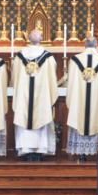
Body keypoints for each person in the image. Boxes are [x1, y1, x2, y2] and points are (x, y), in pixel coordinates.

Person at [12, 29, 58, 161]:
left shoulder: (20, 56)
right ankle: (39, 151)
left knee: (25, 114)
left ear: (28, 39)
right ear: (41, 39)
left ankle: (26, 151)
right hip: (41, 97)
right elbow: (52, 78)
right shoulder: (48, 57)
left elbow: (15, 76)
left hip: (24, 97)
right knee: (41, 115)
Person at [66, 37, 98, 161]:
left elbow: (70, 84)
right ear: (96, 45)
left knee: (80, 116)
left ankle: (82, 153)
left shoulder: (74, 60)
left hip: (80, 102)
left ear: (85, 45)